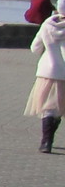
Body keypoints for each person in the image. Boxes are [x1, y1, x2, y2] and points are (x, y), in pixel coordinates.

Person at [27, 9, 65, 152]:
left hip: (47, 71)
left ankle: (46, 141)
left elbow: (35, 47)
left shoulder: (47, 24)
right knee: (59, 108)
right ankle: (49, 138)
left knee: (47, 107)